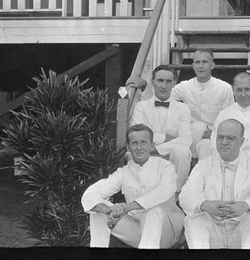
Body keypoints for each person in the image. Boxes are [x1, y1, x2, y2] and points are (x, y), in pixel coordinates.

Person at [81, 124, 185, 249]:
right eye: (134, 143)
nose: (139, 148)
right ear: (128, 147)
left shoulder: (166, 167)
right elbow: (90, 194)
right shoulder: (123, 172)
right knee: (97, 209)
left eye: (144, 142)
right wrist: (107, 210)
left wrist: (126, 208)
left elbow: (163, 192)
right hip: (138, 231)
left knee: (152, 211)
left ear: (152, 145)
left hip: (168, 231)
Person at [179, 119, 250, 249]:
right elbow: (186, 195)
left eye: (230, 138)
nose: (224, 142)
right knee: (192, 219)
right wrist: (205, 205)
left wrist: (245, 205)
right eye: (220, 137)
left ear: (241, 142)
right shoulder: (204, 164)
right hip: (212, 229)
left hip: (241, 230)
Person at [200, 72, 250, 224]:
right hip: (230, 162)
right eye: (239, 90)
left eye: (247, 89)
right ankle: (220, 218)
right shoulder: (224, 114)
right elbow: (215, 143)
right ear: (233, 90)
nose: (243, 94)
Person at [129, 65, 192, 194]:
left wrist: (157, 148)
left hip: (169, 155)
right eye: (160, 81)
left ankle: (175, 195)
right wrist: (165, 138)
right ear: (152, 82)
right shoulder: (141, 107)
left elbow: (185, 140)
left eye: (168, 81)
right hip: (147, 154)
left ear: (174, 83)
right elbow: (139, 136)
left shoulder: (183, 108)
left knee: (182, 150)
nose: (164, 86)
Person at [171, 49, 235, 160]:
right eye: (197, 62)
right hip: (191, 135)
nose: (201, 66)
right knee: (197, 127)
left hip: (214, 136)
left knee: (205, 146)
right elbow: (164, 97)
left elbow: (229, 117)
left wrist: (215, 132)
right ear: (193, 66)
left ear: (212, 65)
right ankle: (189, 160)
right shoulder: (185, 86)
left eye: (205, 62)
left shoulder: (224, 88)